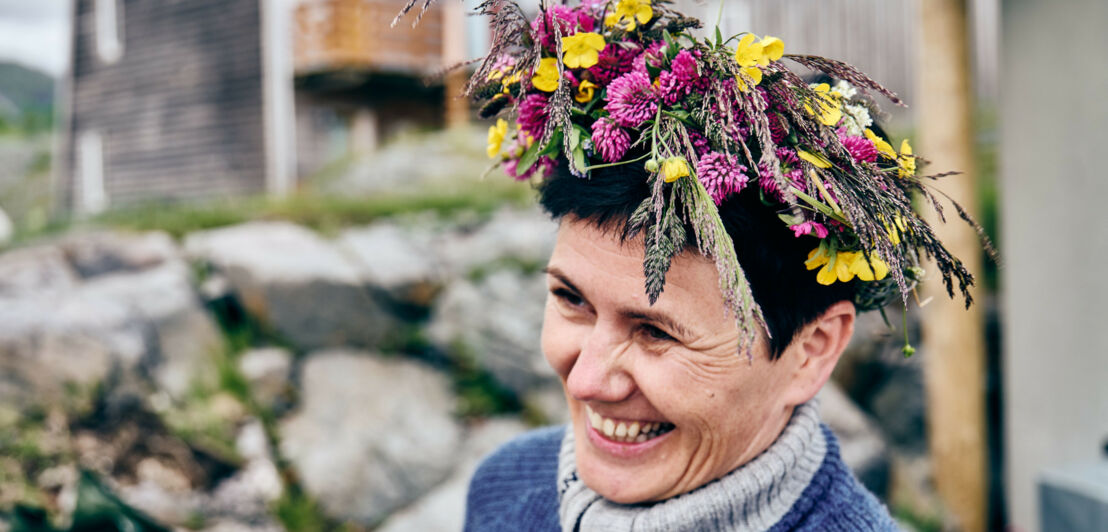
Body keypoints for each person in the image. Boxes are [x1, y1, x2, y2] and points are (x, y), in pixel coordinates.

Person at [388, 0, 985, 530]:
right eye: (571, 300)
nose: (586, 379)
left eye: (654, 331)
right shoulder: (505, 489)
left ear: (813, 348)